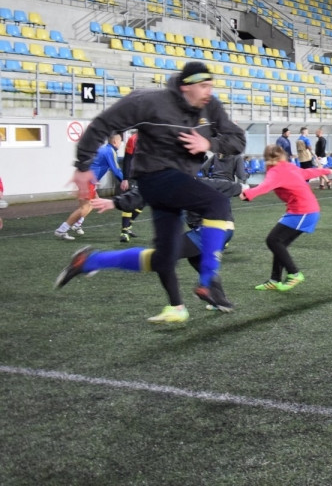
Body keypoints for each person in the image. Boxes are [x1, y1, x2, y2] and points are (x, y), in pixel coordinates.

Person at [57, 61, 246, 323]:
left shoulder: (210, 106)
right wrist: (82, 166)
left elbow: (237, 139)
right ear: (184, 87)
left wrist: (209, 142)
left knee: (163, 260)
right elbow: (103, 124)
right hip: (153, 178)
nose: (209, 91)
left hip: (178, 183)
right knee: (217, 204)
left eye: (211, 85)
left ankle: (89, 261)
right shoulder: (148, 101)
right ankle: (208, 281)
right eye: (203, 86)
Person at [56, 174, 245, 306]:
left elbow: (225, 186)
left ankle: (90, 260)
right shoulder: (179, 178)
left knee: (166, 259)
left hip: (214, 228)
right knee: (182, 259)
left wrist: (116, 202)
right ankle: (215, 296)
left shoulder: (174, 178)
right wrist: (245, 189)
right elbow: (226, 185)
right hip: (218, 229)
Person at [241, 145, 332, 291]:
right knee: (279, 243)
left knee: (273, 240)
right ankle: (274, 280)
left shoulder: (276, 171)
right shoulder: (288, 167)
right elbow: (307, 172)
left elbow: (264, 186)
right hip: (300, 210)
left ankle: (294, 273)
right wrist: (326, 170)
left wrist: (247, 194)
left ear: (266, 158)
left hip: (304, 211)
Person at [55, 133, 126, 240]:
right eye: (120, 141)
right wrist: (125, 181)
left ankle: (77, 224)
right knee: (84, 207)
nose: (120, 144)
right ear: (115, 142)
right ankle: (62, 230)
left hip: (87, 179)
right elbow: (116, 170)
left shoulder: (104, 149)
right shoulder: (109, 151)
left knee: (93, 203)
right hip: (87, 180)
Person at [119, 129, 143, 242]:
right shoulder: (133, 139)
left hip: (147, 176)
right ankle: (124, 232)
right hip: (133, 175)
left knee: (142, 203)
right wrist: (125, 179)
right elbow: (127, 160)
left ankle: (128, 226)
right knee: (129, 201)